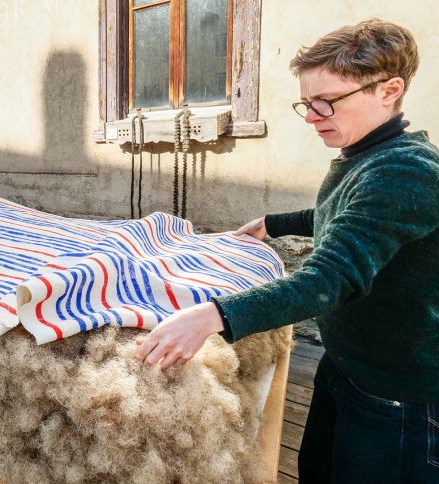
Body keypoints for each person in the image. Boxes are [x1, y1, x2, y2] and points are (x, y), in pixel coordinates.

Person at [134, 19, 438, 482]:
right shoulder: (369, 158)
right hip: (347, 364)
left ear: (388, 90)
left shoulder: (403, 172)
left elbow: (327, 280)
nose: (313, 116)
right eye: (307, 103)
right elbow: (344, 215)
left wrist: (211, 316)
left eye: (327, 101)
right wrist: (273, 224)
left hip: (397, 393)